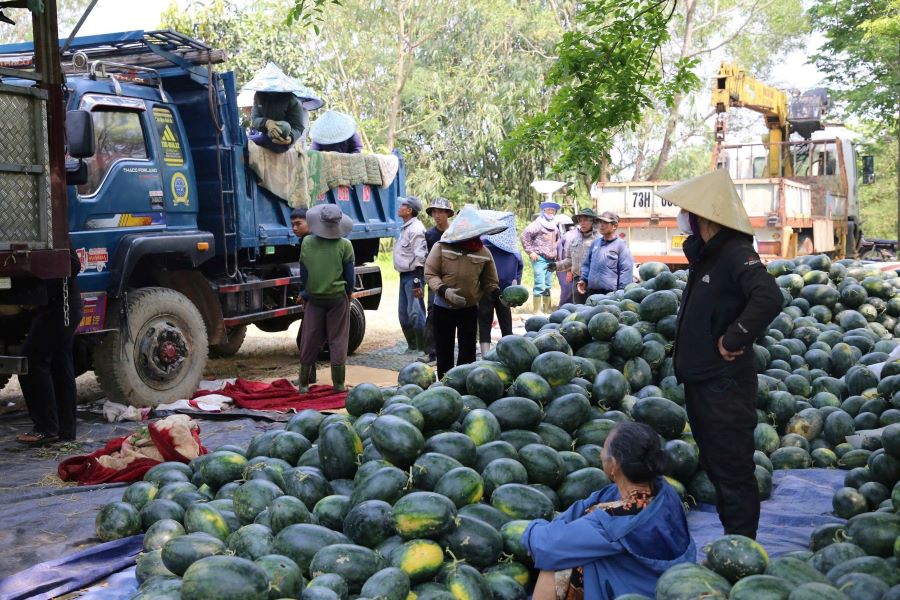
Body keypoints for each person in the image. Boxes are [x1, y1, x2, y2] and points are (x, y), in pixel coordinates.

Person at [659, 169, 783, 539]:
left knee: (732, 469)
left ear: (706, 216)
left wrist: (735, 338)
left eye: (687, 212)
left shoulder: (734, 252)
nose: (683, 218)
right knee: (716, 465)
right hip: (703, 381)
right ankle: (734, 539)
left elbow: (769, 296)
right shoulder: (708, 255)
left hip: (724, 385)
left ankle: (742, 547)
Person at [522, 422, 696, 600]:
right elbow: (586, 507)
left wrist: (531, 533)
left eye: (604, 449)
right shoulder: (661, 487)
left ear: (614, 465)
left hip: (647, 590)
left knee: (555, 568)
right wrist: (555, 527)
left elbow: (549, 546)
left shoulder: (617, 519)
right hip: (666, 575)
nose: (600, 453)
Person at [424, 206, 505, 378]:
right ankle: (445, 384)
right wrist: (444, 290)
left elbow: (490, 282)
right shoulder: (441, 246)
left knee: (467, 350)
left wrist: (500, 296)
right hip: (443, 307)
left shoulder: (484, 253)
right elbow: (430, 273)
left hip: (468, 309)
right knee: (444, 349)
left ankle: (463, 385)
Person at [16, 246, 84, 444]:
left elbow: (73, 264)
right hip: (61, 306)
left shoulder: (53, 226)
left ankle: (45, 428)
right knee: (59, 366)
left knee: (31, 361)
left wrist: (41, 293)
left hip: (60, 307)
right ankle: (65, 431)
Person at [297, 204, 356, 393]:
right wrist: (348, 293)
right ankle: (338, 385)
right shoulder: (345, 245)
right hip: (337, 299)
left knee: (310, 339)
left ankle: (304, 385)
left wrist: (305, 294)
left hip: (314, 298)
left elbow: (304, 274)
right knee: (338, 340)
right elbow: (350, 277)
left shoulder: (306, 243)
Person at [479, 210, 523, 356]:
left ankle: (489, 353)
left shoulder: (483, 244)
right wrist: (516, 288)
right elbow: (518, 271)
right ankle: (508, 352)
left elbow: (518, 269)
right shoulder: (511, 249)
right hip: (499, 289)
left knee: (488, 319)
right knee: (501, 319)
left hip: (490, 288)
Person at [244, 63, 308, 154]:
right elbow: (254, 119)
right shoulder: (259, 95)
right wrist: (267, 122)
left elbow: (298, 127)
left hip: (283, 142)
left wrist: (290, 138)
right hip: (265, 136)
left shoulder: (292, 100)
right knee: (245, 144)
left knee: (283, 131)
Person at [421, 197, 455, 363]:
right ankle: (432, 352)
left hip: (454, 278)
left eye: (441, 211)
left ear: (448, 213)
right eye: (434, 211)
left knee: (457, 313)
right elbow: (425, 260)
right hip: (435, 280)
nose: (437, 215)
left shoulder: (456, 232)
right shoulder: (429, 235)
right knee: (433, 313)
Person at [393, 196, 428, 353]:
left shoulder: (416, 229)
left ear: (409, 210)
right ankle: (412, 345)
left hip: (414, 275)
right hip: (404, 275)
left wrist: (416, 281)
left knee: (415, 312)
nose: (400, 207)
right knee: (403, 313)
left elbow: (420, 256)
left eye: (403, 205)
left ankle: (421, 347)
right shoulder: (406, 227)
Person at [577, 211, 633, 298]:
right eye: (600, 222)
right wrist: (584, 280)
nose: (601, 225)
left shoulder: (621, 245)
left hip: (610, 295)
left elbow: (625, 271)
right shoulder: (595, 243)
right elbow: (587, 265)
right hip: (592, 293)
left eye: (605, 223)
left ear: (614, 226)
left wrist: (622, 294)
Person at [521, 201, 560, 313]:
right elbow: (524, 236)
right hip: (539, 258)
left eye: (553, 210)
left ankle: (547, 309)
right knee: (540, 284)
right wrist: (530, 252)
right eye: (548, 210)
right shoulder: (537, 224)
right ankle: (536, 310)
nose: (551, 212)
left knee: (548, 284)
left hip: (550, 259)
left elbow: (557, 239)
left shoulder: (554, 224)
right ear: (543, 211)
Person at [555, 208, 601, 304]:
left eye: (585, 220)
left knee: (594, 311)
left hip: (595, 282)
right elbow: (569, 261)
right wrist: (556, 266)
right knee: (579, 312)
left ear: (593, 222)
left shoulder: (600, 240)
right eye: (580, 220)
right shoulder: (574, 241)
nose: (582, 223)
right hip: (577, 280)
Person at [554, 214, 575, 307]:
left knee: (570, 290)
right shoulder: (568, 236)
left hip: (568, 267)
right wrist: (569, 271)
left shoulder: (572, 235)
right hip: (564, 267)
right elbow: (567, 254)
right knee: (567, 289)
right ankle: (561, 309)